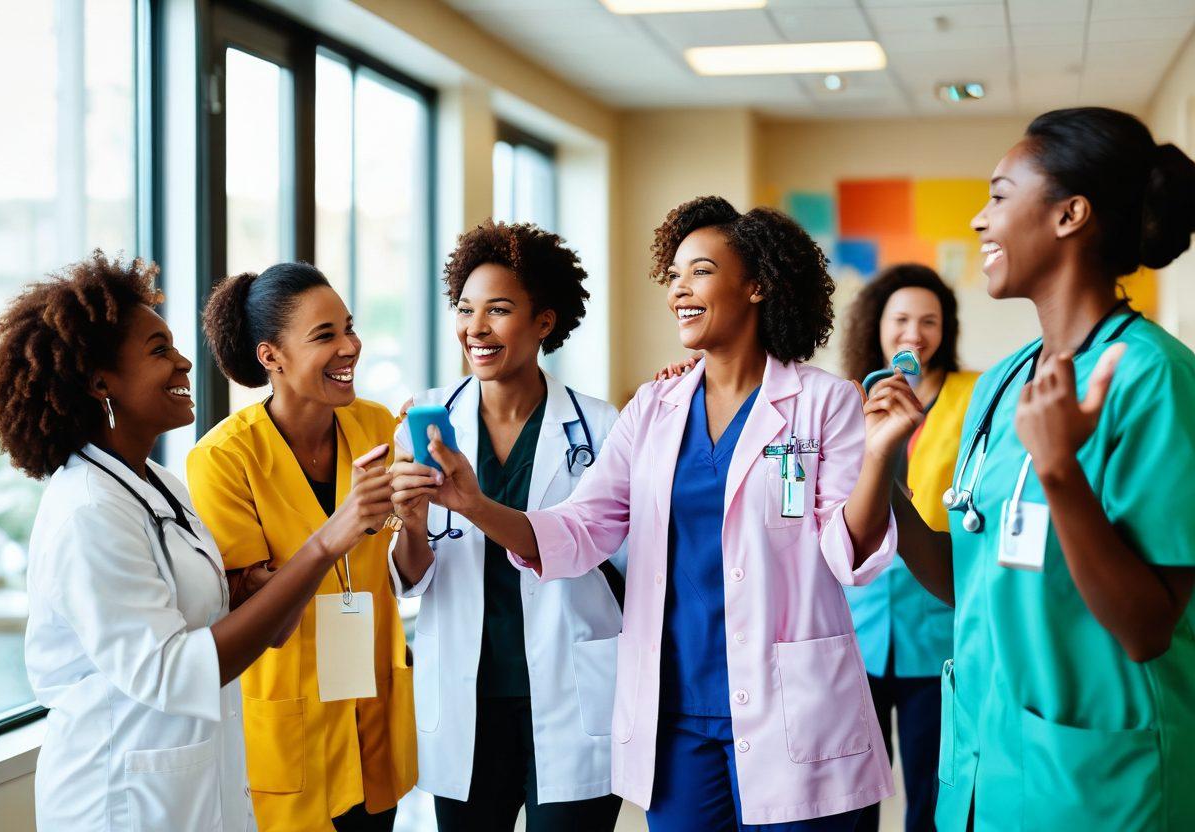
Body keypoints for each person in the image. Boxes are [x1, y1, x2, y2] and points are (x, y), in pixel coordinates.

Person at [395, 196, 926, 830]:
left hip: (794, 712)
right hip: (675, 720)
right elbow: (580, 528)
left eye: (699, 271)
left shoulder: (823, 402)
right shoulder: (653, 407)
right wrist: (476, 505)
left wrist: (881, 456)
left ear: (757, 284)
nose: (679, 288)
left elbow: (848, 550)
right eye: (673, 274)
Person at [869, 107, 1195, 830]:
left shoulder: (1153, 380)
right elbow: (968, 576)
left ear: (1069, 215)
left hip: (1093, 785)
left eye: (999, 195)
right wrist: (887, 477)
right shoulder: (1002, 383)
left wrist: (1061, 476)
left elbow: (1147, 628)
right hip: (982, 773)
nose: (981, 222)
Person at [0, 252, 394, 831]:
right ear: (101, 381)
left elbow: (207, 618)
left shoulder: (160, 487)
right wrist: (329, 541)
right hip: (119, 797)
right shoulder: (88, 512)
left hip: (194, 787)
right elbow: (176, 671)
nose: (183, 363)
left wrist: (245, 589)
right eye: (159, 351)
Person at [389, 220, 624, 831]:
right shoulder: (423, 424)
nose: (476, 328)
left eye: (498, 310)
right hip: (468, 698)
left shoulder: (601, 428)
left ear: (544, 322)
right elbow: (410, 577)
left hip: (574, 690)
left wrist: (472, 505)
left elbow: (630, 565)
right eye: (466, 310)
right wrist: (410, 524)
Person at [187, 262, 416, 832]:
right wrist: (339, 530)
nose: (350, 347)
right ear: (272, 357)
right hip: (291, 729)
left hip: (371, 715)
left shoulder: (378, 426)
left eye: (349, 328)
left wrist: (414, 520)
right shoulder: (224, 460)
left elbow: (403, 571)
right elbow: (253, 613)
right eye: (325, 336)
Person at [839, 265, 977, 832]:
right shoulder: (848, 397)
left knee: (930, 784)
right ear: (878, 325)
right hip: (858, 622)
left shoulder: (976, 395)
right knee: (854, 787)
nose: (913, 334)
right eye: (901, 319)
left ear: (946, 329)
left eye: (929, 321)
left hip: (936, 623)